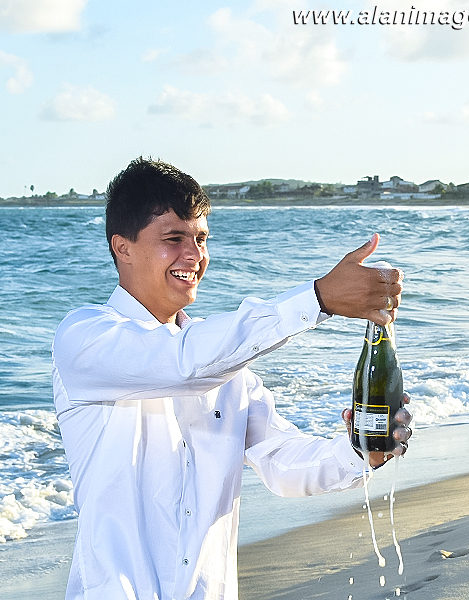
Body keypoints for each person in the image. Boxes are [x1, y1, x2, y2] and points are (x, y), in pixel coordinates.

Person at [51, 157, 412, 600]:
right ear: (122, 247)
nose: (194, 255)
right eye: (174, 238)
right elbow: (179, 366)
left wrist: (360, 451)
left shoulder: (224, 364)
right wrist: (317, 299)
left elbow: (282, 462)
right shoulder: (84, 337)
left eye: (201, 239)